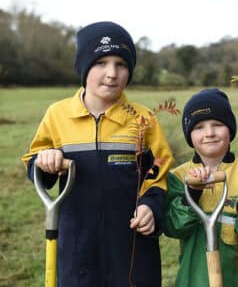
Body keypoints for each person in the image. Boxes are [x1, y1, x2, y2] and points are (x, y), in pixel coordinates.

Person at [22, 21, 173, 287]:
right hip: (77, 246)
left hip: (132, 246)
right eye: (101, 63)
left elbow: (160, 173)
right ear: (83, 66)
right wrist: (44, 162)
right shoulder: (58, 115)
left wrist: (151, 206)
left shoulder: (143, 119)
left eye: (121, 64)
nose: (112, 73)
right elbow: (34, 165)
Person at [164, 88, 238, 287]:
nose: (209, 133)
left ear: (230, 129)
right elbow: (173, 227)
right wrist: (192, 193)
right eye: (199, 127)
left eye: (217, 124)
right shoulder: (180, 177)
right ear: (190, 135)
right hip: (193, 281)